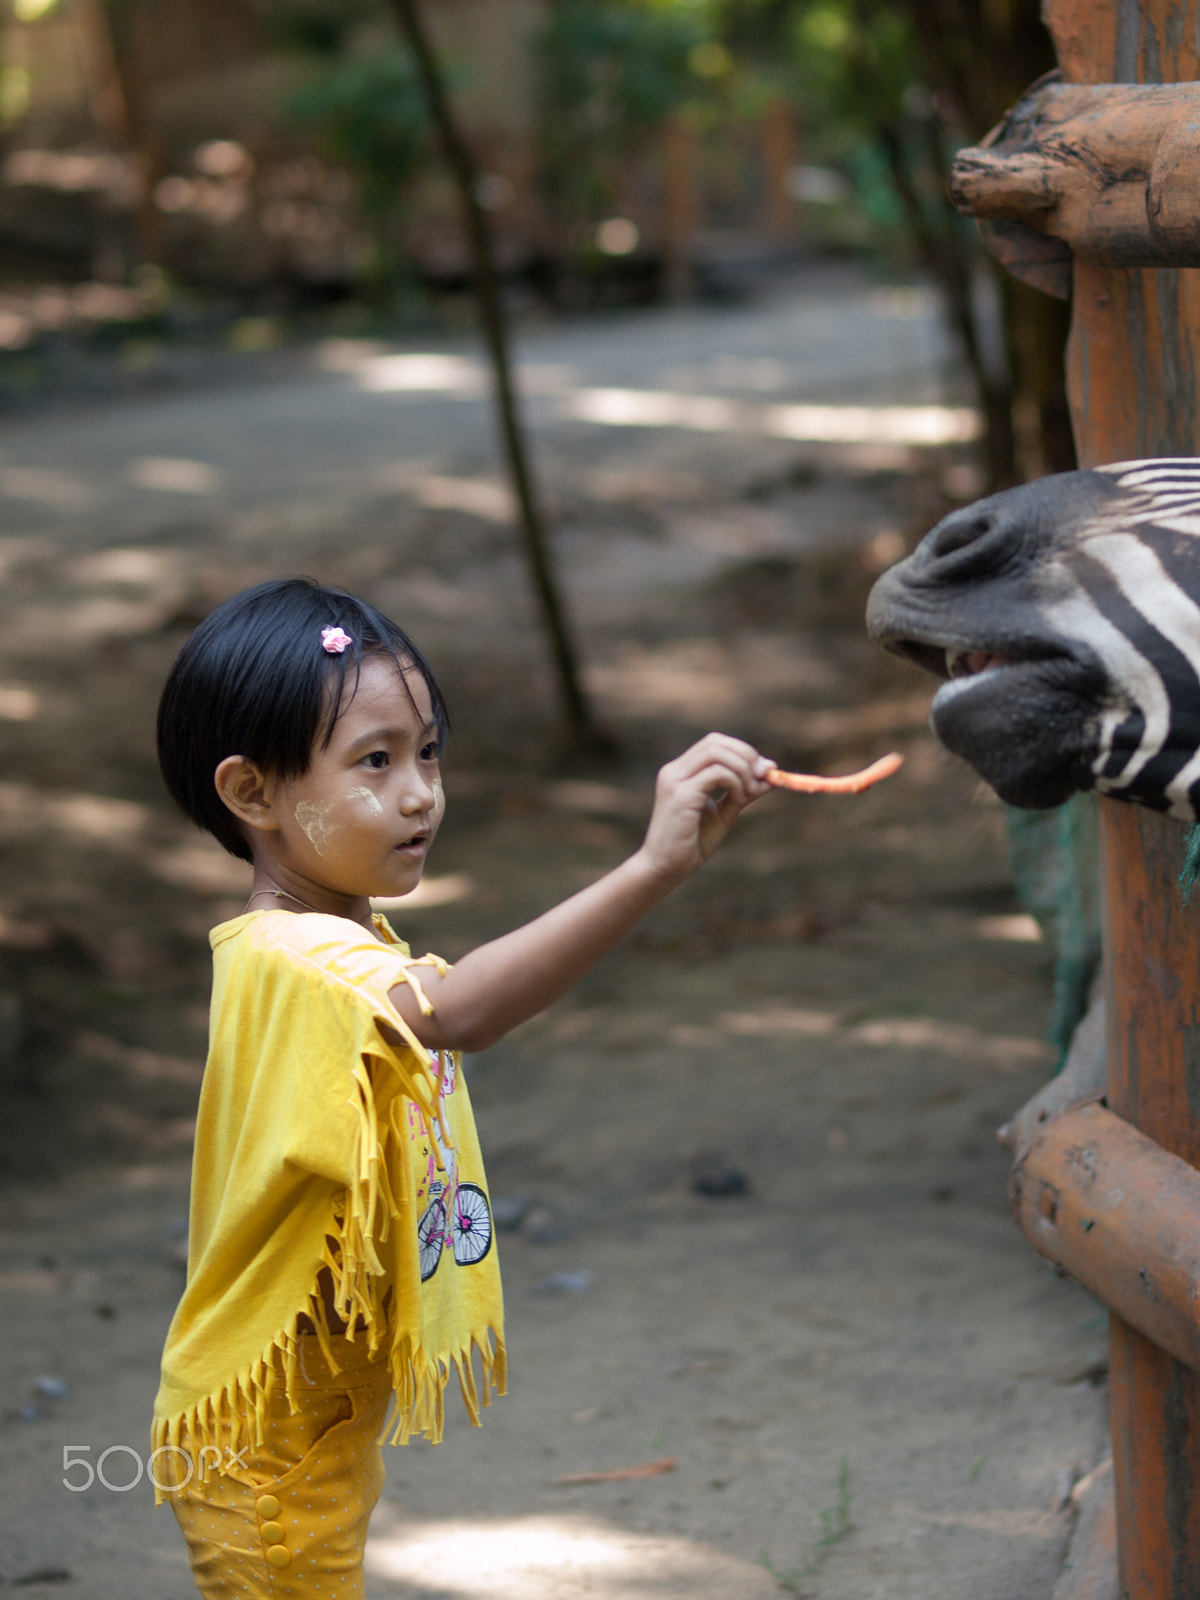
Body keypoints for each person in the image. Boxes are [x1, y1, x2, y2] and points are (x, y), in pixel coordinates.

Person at [151, 576, 777, 1598]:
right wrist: (651, 867)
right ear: (253, 793)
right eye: (374, 761)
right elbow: (456, 1014)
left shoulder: (343, 943)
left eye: (428, 750)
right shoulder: (297, 959)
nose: (420, 792)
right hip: (258, 1438)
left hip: (304, 1421)